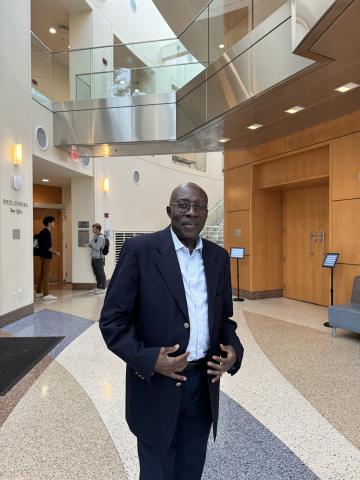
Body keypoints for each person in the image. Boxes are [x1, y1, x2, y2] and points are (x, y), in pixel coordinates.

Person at [99, 182, 244, 480]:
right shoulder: (140, 251)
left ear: (206, 214)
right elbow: (113, 321)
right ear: (169, 210)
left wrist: (233, 351)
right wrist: (149, 359)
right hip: (155, 388)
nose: (191, 212)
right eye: (183, 205)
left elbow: (224, 320)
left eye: (199, 206)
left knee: (191, 470)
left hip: (203, 386)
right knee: (156, 473)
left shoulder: (218, 257)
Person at [35, 216, 60, 301]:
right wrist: (56, 252)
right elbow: (48, 247)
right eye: (53, 222)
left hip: (42, 256)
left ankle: (38, 292)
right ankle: (46, 294)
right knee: (46, 275)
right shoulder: (46, 233)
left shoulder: (44, 232)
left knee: (42, 274)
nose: (54, 224)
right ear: (49, 223)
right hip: (46, 257)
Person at [86, 223, 107, 294]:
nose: (92, 229)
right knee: (96, 273)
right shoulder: (96, 236)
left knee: (101, 273)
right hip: (94, 257)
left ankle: (103, 288)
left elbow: (97, 247)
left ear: (98, 229)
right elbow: (94, 246)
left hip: (99, 258)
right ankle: (98, 287)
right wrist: (90, 245)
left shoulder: (101, 237)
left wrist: (91, 243)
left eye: (94, 228)